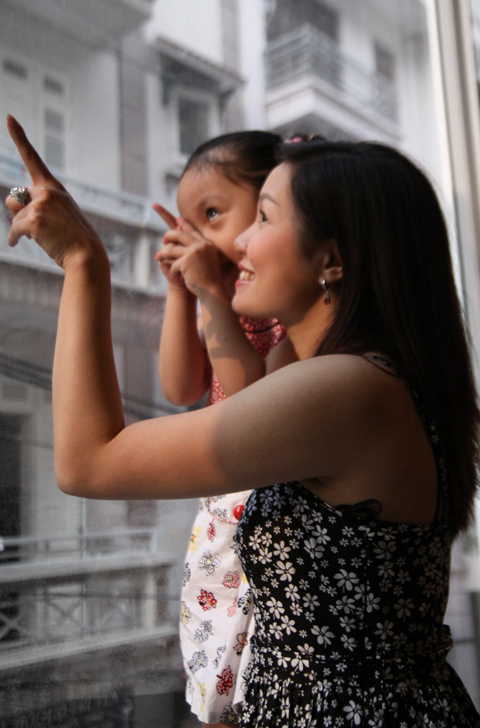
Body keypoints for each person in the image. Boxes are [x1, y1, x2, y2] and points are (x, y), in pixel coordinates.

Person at [6, 114, 480, 727]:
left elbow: (87, 461)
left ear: (331, 259)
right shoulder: (362, 380)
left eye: (263, 217)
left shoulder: (344, 390)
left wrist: (83, 259)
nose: (241, 243)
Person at [153, 131, 292, 727]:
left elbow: (250, 406)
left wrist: (211, 291)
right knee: (214, 673)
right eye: (189, 223)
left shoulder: (280, 299)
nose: (201, 237)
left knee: (260, 669)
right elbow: (180, 386)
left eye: (213, 214)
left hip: (268, 502)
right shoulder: (220, 297)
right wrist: (179, 292)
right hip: (221, 506)